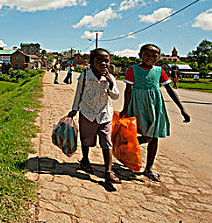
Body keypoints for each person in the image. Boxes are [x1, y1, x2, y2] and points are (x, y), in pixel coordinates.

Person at [120, 44, 191, 182]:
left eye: (154, 56)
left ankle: (149, 168)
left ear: (158, 57)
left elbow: (170, 89)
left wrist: (182, 108)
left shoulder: (159, 71)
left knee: (155, 136)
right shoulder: (132, 70)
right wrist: (125, 108)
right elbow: (128, 90)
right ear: (140, 55)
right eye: (147, 55)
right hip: (137, 105)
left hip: (155, 106)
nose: (150, 58)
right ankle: (125, 148)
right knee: (144, 136)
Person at [68, 48, 121, 184]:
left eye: (106, 61)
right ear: (92, 62)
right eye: (99, 61)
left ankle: (108, 171)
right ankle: (85, 160)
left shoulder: (110, 78)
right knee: (86, 139)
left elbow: (115, 96)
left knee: (106, 141)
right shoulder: (85, 76)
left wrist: (110, 82)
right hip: (87, 112)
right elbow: (78, 93)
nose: (103, 64)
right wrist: (75, 109)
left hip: (105, 114)